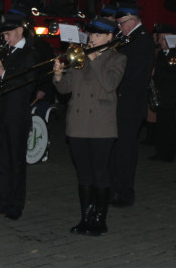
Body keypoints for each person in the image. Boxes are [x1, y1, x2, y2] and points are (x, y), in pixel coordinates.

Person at [53, 16, 127, 236]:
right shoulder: (80, 57)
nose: (92, 38)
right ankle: (85, 218)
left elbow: (109, 84)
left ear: (109, 36)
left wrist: (94, 59)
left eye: (97, 35)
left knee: (100, 172)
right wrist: (58, 76)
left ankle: (99, 219)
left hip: (101, 125)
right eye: (91, 34)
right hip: (77, 122)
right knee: (84, 174)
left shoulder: (118, 58)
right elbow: (66, 89)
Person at [0, 9, 41, 219]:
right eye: (3, 35)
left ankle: (16, 204)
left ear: (19, 30)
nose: (5, 38)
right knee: (2, 161)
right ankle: (2, 201)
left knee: (16, 162)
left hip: (16, 116)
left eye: (8, 34)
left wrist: (3, 72)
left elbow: (27, 84)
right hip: (0, 112)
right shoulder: (5, 51)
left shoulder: (30, 54)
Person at [109, 5, 155, 207]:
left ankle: (125, 192)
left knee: (126, 149)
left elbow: (131, 73)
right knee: (118, 148)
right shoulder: (131, 37)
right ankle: (114, 187)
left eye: (121, 24)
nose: (119, 28)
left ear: (133, 21)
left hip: (130, 102)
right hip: (123, 101)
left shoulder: (142, 40)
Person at [150, 23, 176, 163]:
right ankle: (160, 151)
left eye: (163, 38)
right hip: (161, 95)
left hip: (171, 96)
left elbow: (174, 74)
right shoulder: (161, 54)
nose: (160, 41)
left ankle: (169, 153)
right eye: (160, 38)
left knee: (170, 127)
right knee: (161, 125)